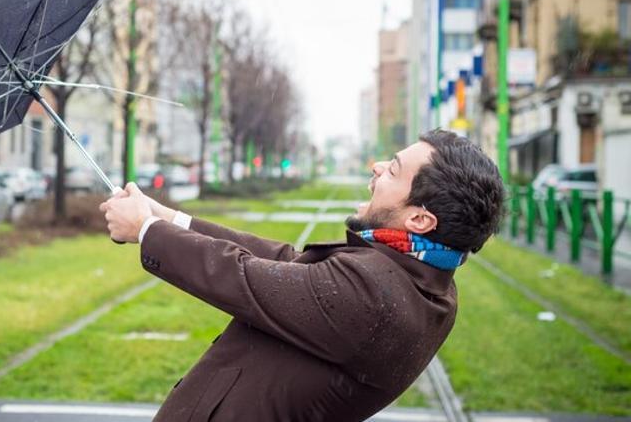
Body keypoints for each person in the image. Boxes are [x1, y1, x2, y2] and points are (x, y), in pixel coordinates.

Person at [100, 129, 504, 422]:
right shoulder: (418, 279)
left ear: (419, 218)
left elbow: (245, 277)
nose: (378, 166)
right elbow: (288, 265)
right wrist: (168, 217)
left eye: (394, 170)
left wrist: (146, 230)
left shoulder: (376, 296)